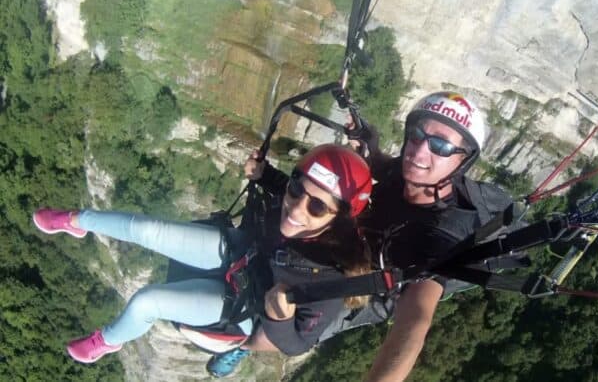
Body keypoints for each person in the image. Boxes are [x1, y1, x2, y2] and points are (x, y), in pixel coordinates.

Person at [32, 144, 372, 376]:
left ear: (339, 218)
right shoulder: (300, 199)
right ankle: (76, 221)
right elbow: (301, 188)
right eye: (297, 190)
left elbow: (297, 344)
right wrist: (267, 176)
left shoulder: (328, 280)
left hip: (243, 307)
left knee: (147, 302)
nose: (297, 207)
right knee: (148, 229)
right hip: (241, 253)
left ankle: (106, 341)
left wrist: (279, 317)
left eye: (316, 207)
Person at [355, 91, 528, 381]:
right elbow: (385, 165)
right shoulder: (409, 170)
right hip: (365, 244)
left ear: (462, 161)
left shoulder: (445, 235)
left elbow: (414, 323)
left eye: (441, 146)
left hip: (372, 286)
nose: (420, 151)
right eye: (416, 134)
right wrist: (369, 143)